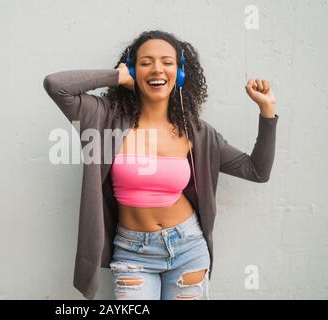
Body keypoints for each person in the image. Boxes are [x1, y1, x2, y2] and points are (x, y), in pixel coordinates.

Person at [43, 30, 278, 300]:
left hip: (188, 248)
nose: (157, 69)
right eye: (146, 63)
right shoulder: (104, 118)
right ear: (133, 70)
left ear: (180, 73)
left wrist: (267, 111)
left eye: (167, 62)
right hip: (132, 252)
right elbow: (55, 85)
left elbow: (257, 171)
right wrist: (117, 77)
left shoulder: (198, 134)